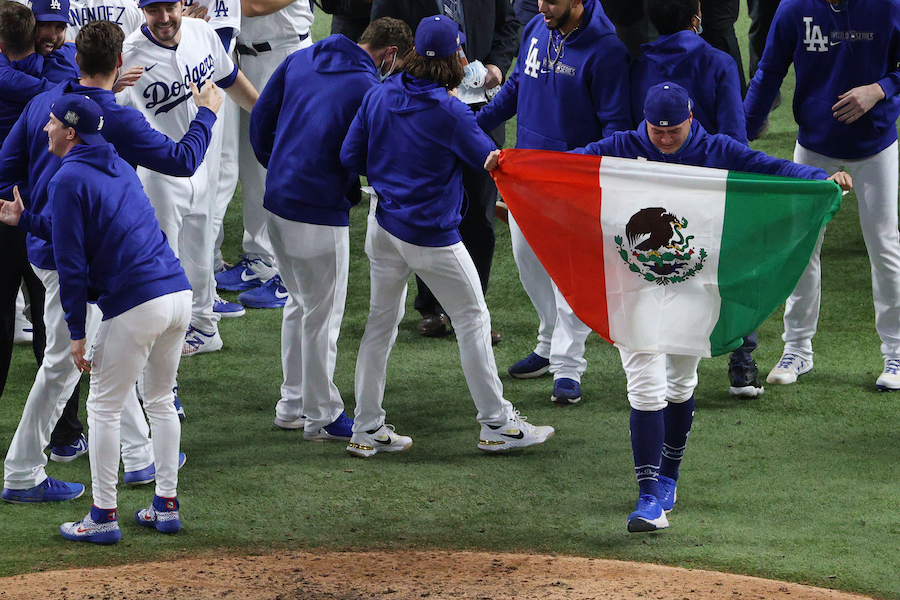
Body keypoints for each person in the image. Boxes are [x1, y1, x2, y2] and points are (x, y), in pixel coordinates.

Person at [564, 82, 851, 532]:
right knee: (644, 384)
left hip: (694, 286)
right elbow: (564, 166)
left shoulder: (716, 149)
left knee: (679, 382)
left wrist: (821, 179)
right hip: (633, 285)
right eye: (656, 131)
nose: (663, 139)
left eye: (672, 131)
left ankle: (669, 478)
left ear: (690, 120)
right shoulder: (622, 146)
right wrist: (510, 165)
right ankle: (647, 499)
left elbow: (770, 169)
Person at [0, 20, 219, 504]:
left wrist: (24, 215)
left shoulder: (44, 104)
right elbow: (183, 161)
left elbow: (6, 166)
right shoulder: (113, 118)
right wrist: (206, 113)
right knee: (64, 363)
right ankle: (21, 474)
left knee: (104, 352)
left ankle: (140, 456)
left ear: (76, 60)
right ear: (120, 65)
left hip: (48, 248)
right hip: (77, 261)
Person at [340, 15, 554, 457]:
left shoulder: (378, 93)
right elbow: (489, 161)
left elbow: (350, 154)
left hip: (383, 227)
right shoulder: (451, 112)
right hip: (431, 237)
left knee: (380, 325)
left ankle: (365, 428)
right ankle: (495, 423)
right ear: (458, 56)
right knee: (473, 320)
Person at [0, 94, 192, 544]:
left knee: (103, 407)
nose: (45, 128)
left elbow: (71, 263)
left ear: (70, 132)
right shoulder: (117, 165)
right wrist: (25, 221)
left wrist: (76, 332)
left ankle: (103, 515)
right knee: (160, 400)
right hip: (177, 294)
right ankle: (166, 505)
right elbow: (77, 228)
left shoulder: (68, 177)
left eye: (51, 123)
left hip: (137, 303)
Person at [249, 17, 412, 439]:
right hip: (319, 211)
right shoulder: (368, 89)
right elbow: (364, 155)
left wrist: (281, 166)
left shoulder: (300, 59)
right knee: (322, 316)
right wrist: (347, 191)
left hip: (277, 202)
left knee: (299, 304)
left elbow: (260, 119)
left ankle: (291, 404)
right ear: (389, 54)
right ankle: (321, 415)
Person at [476, 0, 631, 405]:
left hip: (571, 184)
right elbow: (515, 88)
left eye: (553, 0)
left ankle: (568, 366)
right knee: (530, 264)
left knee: (570, 278)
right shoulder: (537, 28)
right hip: (525, 177)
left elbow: (617, 127)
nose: (543, 5)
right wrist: (475, 124)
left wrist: (575, 167)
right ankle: (548, 343)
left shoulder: (607, 51)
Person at [744, 0, 900, 390]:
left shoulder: (889, 6)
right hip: (814, 148)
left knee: (883, 246)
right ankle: (797, 348)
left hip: (876, 147)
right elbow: (769, 72)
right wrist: (737, 138)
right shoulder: (794, 7)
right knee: (803, 247)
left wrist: (879, 89)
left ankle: (896, 353)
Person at [631, 0, 763, 398]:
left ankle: (663, 362)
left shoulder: (639, 63)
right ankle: (742, 363)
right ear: (697, 17)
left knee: (662, 272)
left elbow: (633, 129)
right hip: (710, 186)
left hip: (655, 187)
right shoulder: (720, 62)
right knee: (732, 269)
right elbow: (735, 137)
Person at [370, 0, 518, 345]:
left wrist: (497, 64)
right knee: (427, 202)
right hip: (422, 104)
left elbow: (508, 25)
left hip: (481, 103)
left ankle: (473, 308)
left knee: (480, 214)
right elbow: (383, 33)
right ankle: (431, 308)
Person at [117, 0, 258, 357]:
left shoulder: (202, 32)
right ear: (141, 10)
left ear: (182, 4)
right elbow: (107, 111)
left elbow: (228, 78)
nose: (163, 18)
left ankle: (206, 329)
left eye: (169, 7)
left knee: (200, 255)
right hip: (160, 178)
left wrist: (264, 113)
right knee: (161, 274)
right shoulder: (129, 53)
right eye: (153, 10)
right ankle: (160, 361)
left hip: (204, 167)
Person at [214, 0, 315, 310]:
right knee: (252, 168)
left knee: (283, 168)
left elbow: (254, 5)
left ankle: (292, 277)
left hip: (284, 56)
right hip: (244, 61)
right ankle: (260, 260)